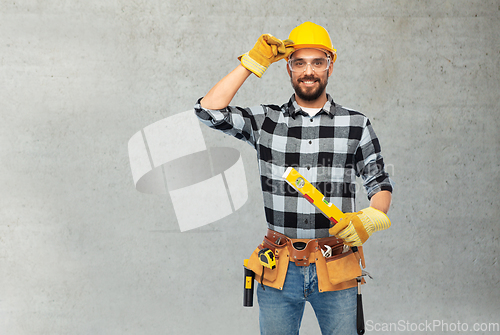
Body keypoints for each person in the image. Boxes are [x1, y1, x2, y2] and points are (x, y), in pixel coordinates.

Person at [195, 21, 393, 335]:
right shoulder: (266, 121)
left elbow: (379, 182)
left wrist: (371, 216)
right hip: (279, 265)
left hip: (336, 263)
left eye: (318, 62)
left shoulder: (356, 123)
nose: (308, 71)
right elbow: (209, 112)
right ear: (288, 68)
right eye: (299, 62)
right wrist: (251, 63)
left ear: (331, 65)